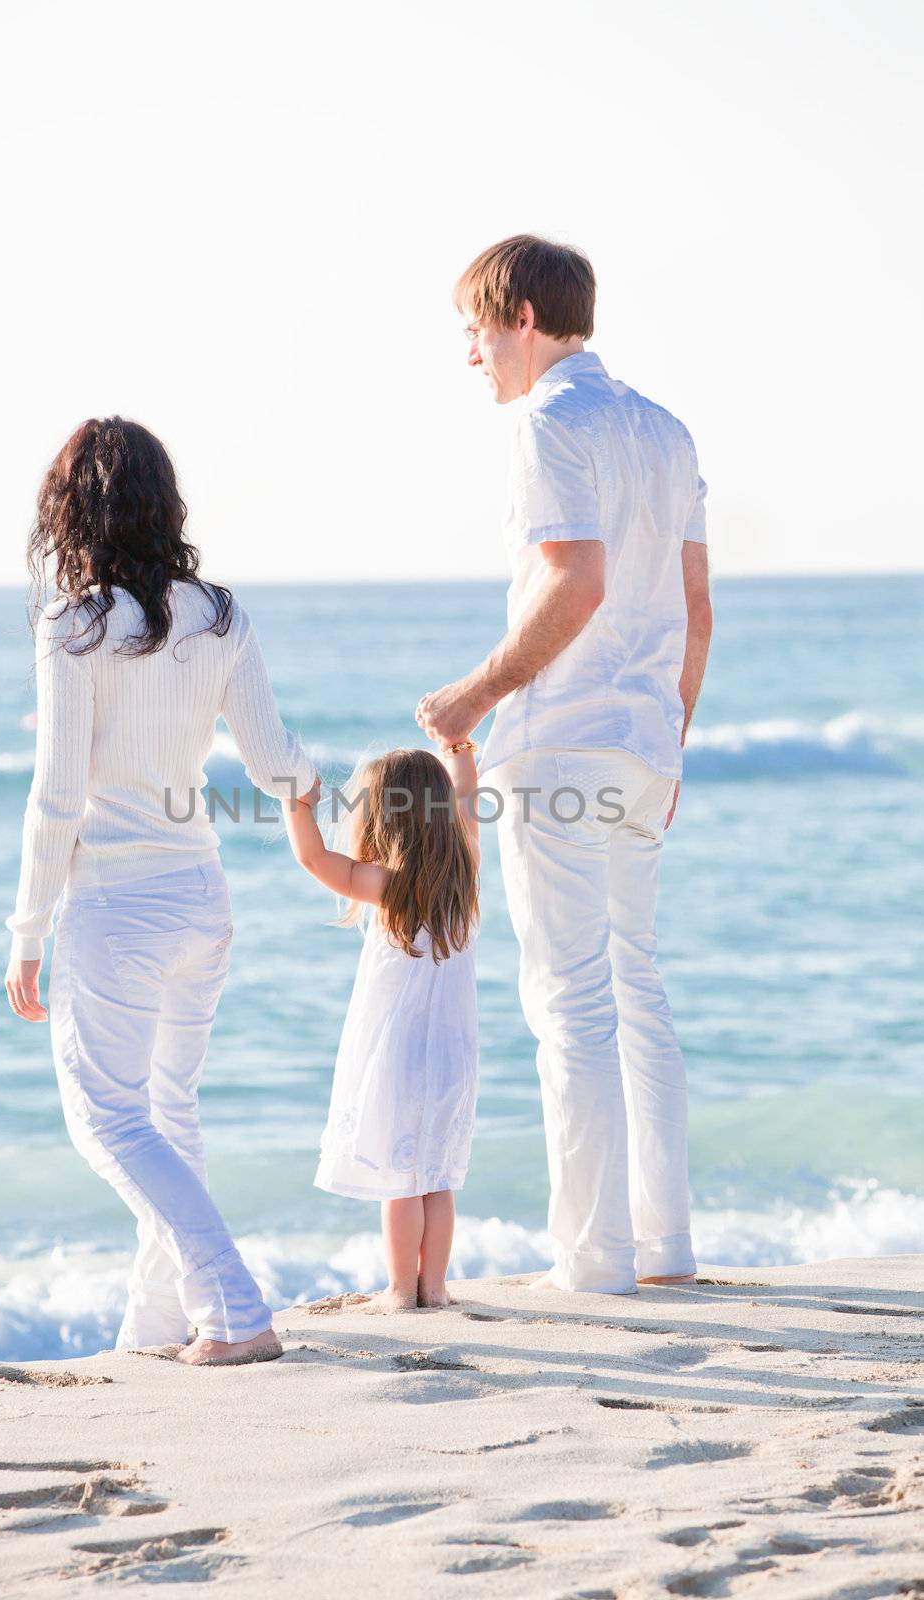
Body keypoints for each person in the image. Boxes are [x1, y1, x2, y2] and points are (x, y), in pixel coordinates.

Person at [417, 234, 713, 1296]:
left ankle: (594, 1262)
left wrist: (473, 694)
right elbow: (694, 612)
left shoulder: (548, 422)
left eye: (473, 330)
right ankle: (664, 1244)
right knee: (635, 986)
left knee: (570, 1003)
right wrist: (667, 745)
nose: (469, 355)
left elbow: (574, 583)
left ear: (523, 322)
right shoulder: (665, 432)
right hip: (638, 747)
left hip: (559, 744)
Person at [3, 416, 320, 1364]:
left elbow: (58, 795)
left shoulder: (75, 626)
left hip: (115, 908)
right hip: (199, 901)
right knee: (168, 1111)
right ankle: (156, 1325)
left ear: (73, 512)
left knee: (107, 1118)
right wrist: (345, 803)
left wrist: (26, 930)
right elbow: (273, 764)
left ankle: (231, 1307)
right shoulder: (218, 615)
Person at [283, 744, 480, 1310]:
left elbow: (314, 859)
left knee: (400, 1177)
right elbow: (467, 800)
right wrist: (462, 751)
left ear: (382, 819)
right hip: (453, 1053)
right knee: (436, 1175)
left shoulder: (391, 887)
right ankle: (435, 1288)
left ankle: (399, 1289)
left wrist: (298, 800)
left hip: (399, 1050)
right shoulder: (463, 875)